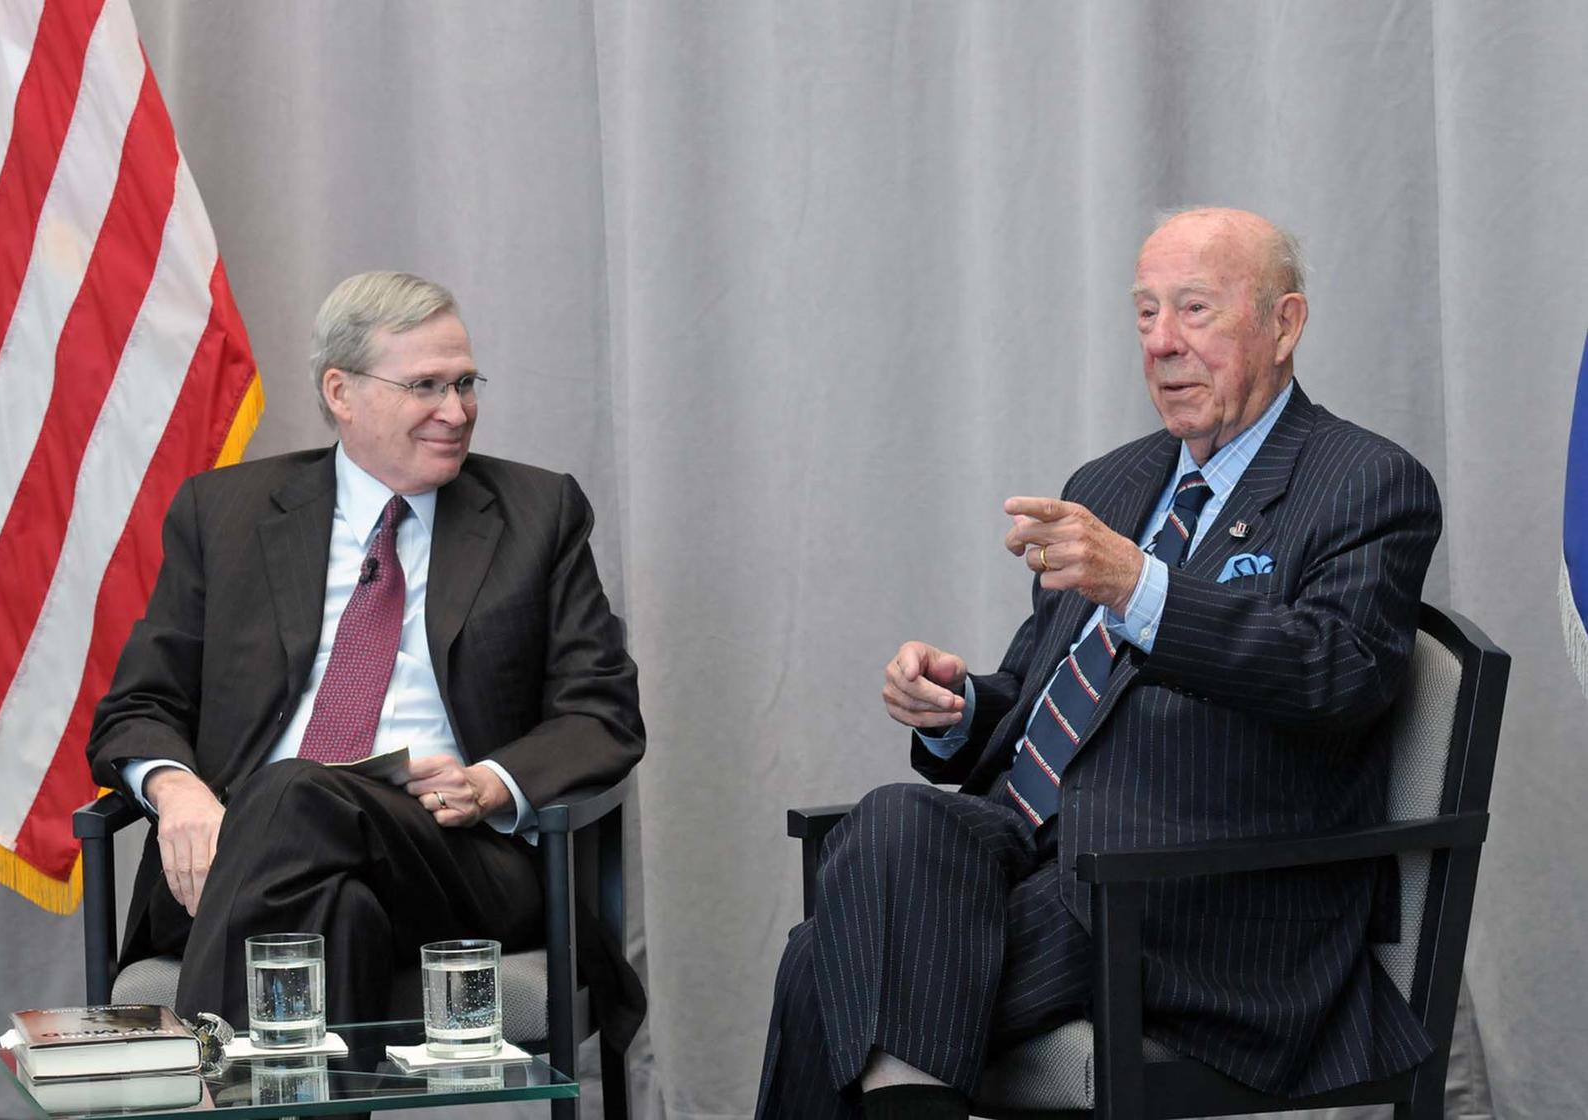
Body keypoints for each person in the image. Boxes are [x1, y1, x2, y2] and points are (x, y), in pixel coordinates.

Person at [755, 208, 1441, 1119]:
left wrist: (1141, 586)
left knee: (823, 965)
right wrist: (960, 708)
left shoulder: (1363, 481)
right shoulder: (1112, 483)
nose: (1162, 343)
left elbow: (1336, 676)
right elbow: (1045, 693)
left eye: (1194, 309)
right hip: (1032, 852)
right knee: (894, 819)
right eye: (1146, 313)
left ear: (1286, 324)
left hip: (1192, 892)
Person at [87, 271, 644, 1046]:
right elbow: (137, 708)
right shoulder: (226, 514)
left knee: (288, 792)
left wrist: (489, 784)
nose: (456, 412)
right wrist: (180, 795)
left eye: (465, 384)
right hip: (235, 853)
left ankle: (201, 1078)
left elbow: (601, 713)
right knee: (334, 911)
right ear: (341, 391)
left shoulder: (537, 514)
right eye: (425, 386)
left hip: (453, 856)